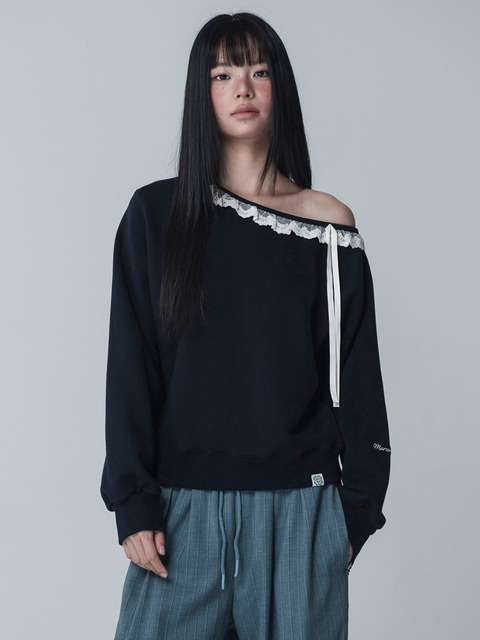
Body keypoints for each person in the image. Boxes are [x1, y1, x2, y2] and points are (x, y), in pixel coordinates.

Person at [101, 11, 390, 640]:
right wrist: (133, 501)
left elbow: (356, 378)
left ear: (279, 88)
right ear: (201, 92)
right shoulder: (155, 215)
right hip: (179, 515)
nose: (242, 88)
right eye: (223, 73)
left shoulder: (327, 226)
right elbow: (131, 366)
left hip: (301, 512)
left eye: (259, 72)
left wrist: (353, 517)